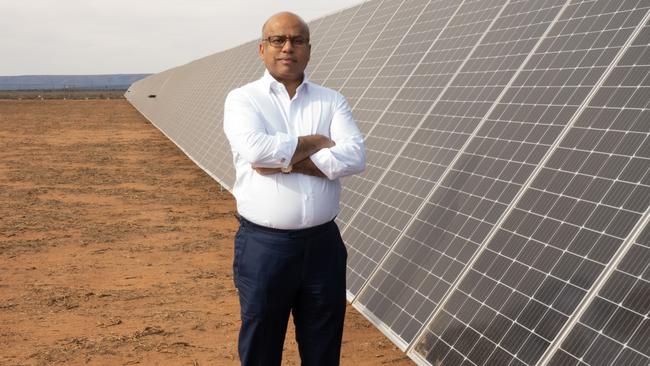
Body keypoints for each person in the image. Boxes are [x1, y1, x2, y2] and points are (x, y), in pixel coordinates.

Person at [223, 11, 366, 366]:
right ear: (262, 49)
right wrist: (318, 142)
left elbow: (354, 158)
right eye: (278, 40)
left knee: (323, 346)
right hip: (264, 248)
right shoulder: (243, 99)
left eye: (297, 40)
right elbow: (257, 152)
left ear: (308, 49)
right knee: (261, 346)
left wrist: (283, 160)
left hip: (323, 246)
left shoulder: (331, 100)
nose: (287, 48)